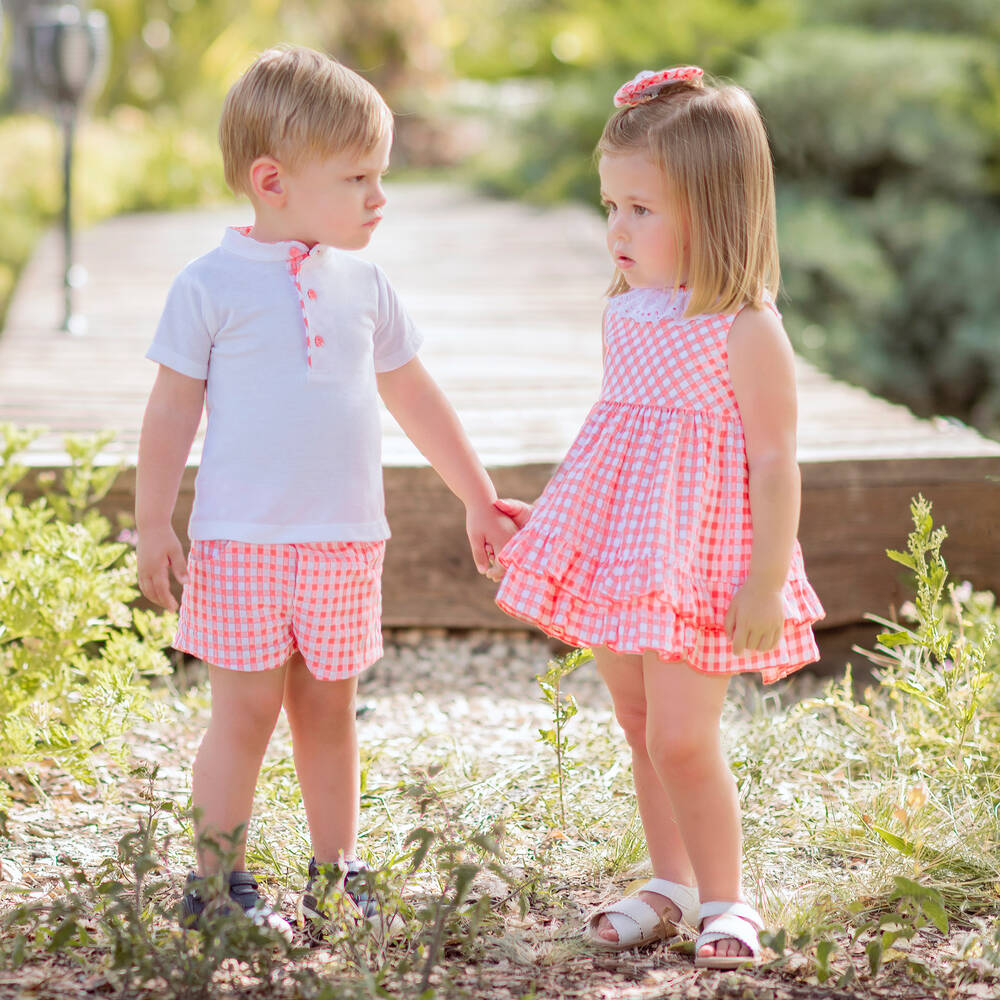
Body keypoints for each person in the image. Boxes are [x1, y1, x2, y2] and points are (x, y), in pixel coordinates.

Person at [135, 44, 518, 937]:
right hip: (243, 541)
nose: (379, 197)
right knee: (246, 714)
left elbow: (415, 394)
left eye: (379, 175)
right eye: (356, 178)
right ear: (272, 181)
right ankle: (216, 885)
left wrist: (475, 493)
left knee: (329, 709)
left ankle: (335, 872)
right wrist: (155, 522)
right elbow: (168, 412)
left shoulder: (367, 285)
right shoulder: (210, 286)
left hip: (346, 537)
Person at [493, 66, 824, 969]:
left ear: (713, 211)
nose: (615, 231)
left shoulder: (746, 329)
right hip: (622, 548)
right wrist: (553, 525)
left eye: (641, 210)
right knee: (638, 724)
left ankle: (728, 899)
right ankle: (671, 882)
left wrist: (763, 578)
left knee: (684, 736)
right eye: (610, 207)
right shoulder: (628, 315)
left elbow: (774, 460)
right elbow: (616, 440)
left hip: (699, 562)